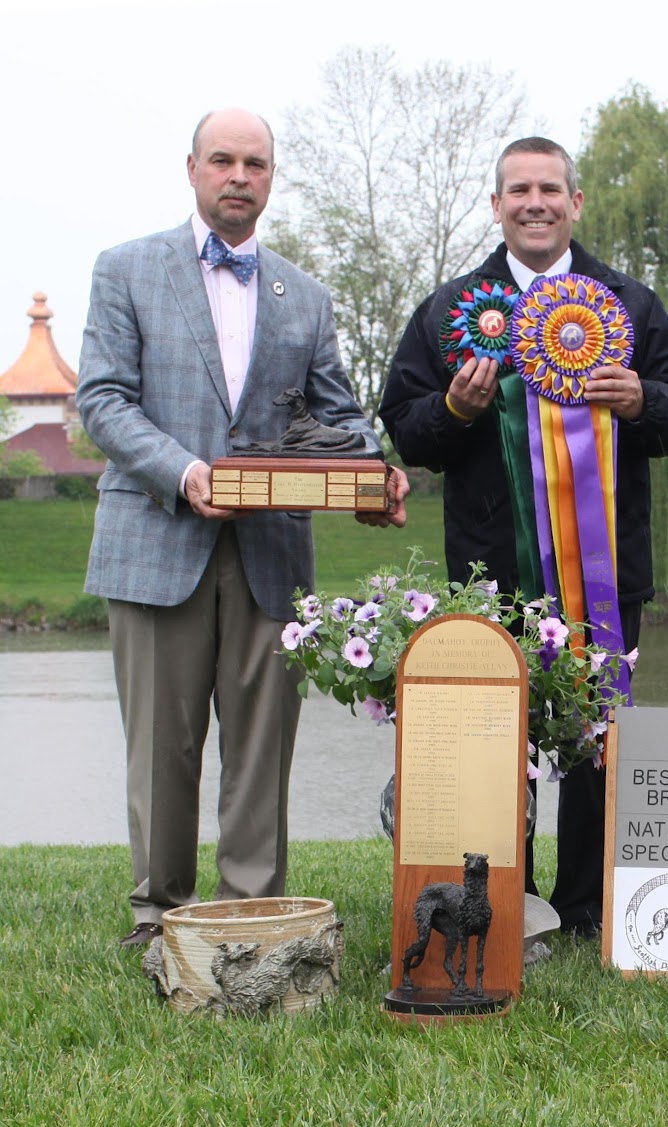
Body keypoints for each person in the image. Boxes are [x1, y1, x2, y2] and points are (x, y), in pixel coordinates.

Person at [77, 108, 409, 948]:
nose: (238, 175)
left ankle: (248, 914)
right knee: (164, 744)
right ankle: (159, 915)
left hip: (271, 555)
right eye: (222, 160)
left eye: (254, 163)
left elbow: (339, 419)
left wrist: (378, 475)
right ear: (191, 168)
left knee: (263, 745)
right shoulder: (125, 269)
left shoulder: (308, 295)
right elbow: (103, 400)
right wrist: (184, 473)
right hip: (155, 537)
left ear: (271, 177)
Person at [379, 137, 668, 938]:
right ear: (496, 205)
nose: (536, 202)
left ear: (576, 202)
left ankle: (589, 907)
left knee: (597, 744)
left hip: (606, 568)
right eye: (519, 189)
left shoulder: (627, 302)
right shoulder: (450, 309)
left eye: (551, 188)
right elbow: (406, 428)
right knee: (496, 746)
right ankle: (502, 904)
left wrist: (640, 400)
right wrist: (454, 409)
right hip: (490, 573)